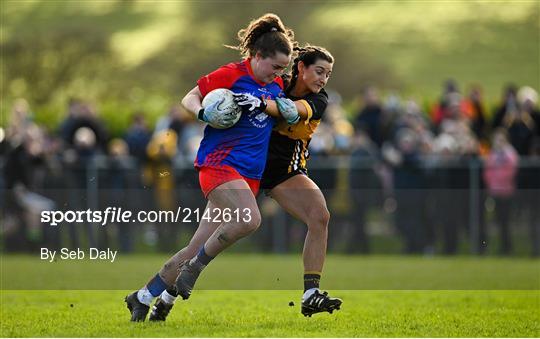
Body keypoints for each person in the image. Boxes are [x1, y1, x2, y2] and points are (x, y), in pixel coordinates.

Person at [125, 13, 297, 322]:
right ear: (257, 56)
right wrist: (204, 113)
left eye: (283, 69)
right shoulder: (230, 74)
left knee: (195, 246)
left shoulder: (275, 87)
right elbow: (189, 98)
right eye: (275, 67)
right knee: (250, 220)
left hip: (249, 175)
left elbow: (286, 112)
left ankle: (144, 296)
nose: (278, 74)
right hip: (219, 166)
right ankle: (194, 270)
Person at [257, 45, 343, 317]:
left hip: (285, 172)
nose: (323, 79)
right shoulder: (276, 82)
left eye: (328, 74)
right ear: (301, 68)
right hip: (247, 166)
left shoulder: (320, 100)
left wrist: (259, 102)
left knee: (320, 215)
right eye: (319, 71)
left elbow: (291, 111)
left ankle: (310, 294)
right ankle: (164, 294)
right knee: (215, 233)